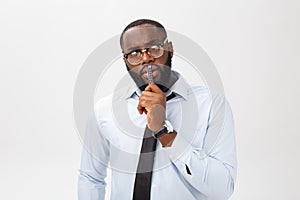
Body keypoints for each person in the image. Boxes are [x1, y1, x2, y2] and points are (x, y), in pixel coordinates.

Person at [78, 19, 237, 200]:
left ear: (169, 49)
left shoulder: (211, 105)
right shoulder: (104, 110)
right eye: (134, 53)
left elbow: (222, 189)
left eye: (154, 47)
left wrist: (163, 131)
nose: (146, 58)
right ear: (126, 60)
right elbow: (90, 178)